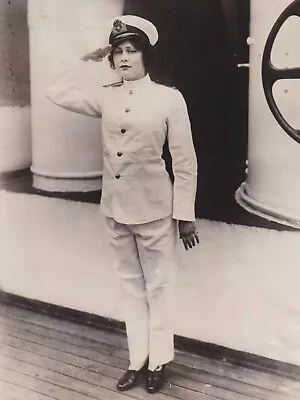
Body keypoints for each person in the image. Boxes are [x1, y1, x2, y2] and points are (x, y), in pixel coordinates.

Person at [46, 14, 199, 394]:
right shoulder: (105, 94)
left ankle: (159, 362)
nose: (124, 58)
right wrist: (90, 57)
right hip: (115, 210)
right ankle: (137, 360)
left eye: (132, 51)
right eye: (117, 52)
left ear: (147, 57)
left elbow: (184, 162)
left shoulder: (168, 99)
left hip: (155, 211)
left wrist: (185, 217)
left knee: (159, 287)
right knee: (131, 287)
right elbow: (56, 89)